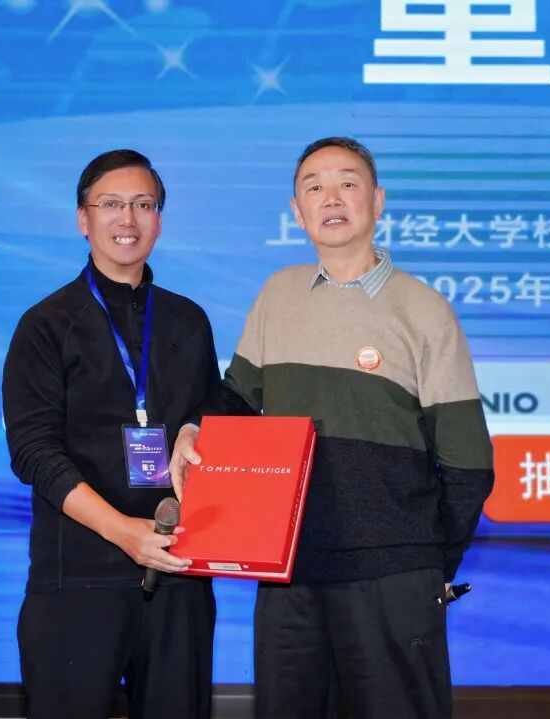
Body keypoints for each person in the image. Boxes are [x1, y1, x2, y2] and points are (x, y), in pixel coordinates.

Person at [170, 136, 494, 719]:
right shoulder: (278, 294)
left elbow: (468, 462)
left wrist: (427, 562)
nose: (332, 197)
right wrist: (196, 427)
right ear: (297, 212)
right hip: (288, 569)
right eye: (314, 187)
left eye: (348, 182)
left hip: (394, 573)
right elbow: (236, 397)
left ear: (377, 201)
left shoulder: (423, 309)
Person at [3, 149, 219, 719]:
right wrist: (122, 531)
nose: (128, 219)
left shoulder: (189, 320)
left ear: (159, 219)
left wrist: (197, 427)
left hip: (179, 574)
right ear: (83, 218)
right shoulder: (46, 325)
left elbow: (210, 413)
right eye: (111, 204)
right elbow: (33, 452)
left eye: (144, 205)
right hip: (78, 578)